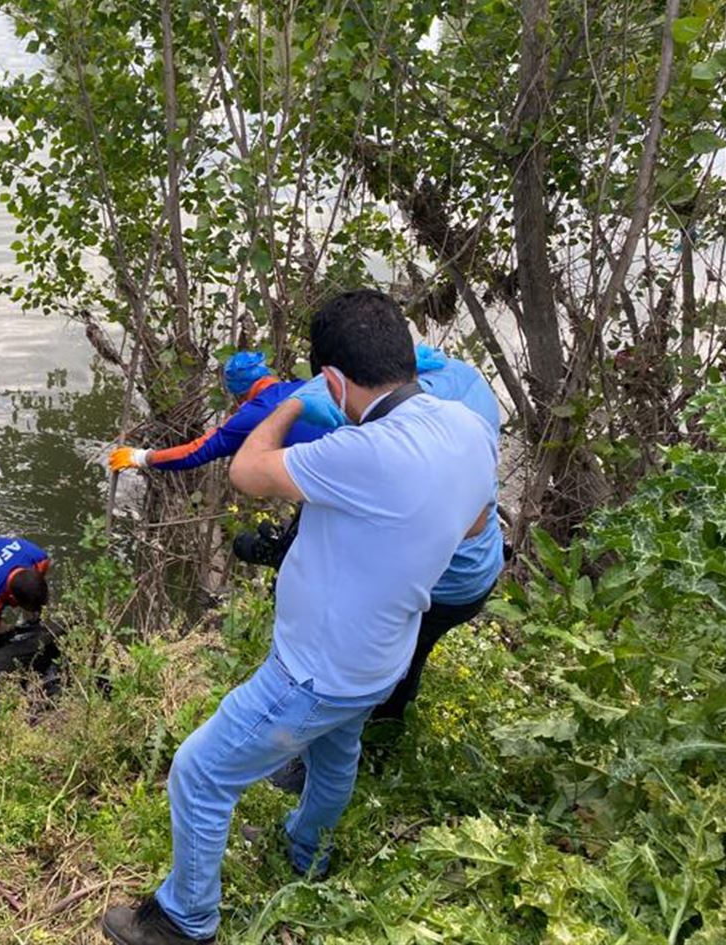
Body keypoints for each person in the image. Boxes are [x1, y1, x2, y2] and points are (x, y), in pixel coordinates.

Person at [100, 290, 498, 945]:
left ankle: (185, 919)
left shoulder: (363, 455)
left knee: (201, 772)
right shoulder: (467, 430)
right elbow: (479, 518)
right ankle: (306, 851)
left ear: (335, 380)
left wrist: (287, 399)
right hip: (382, 655)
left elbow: (249, 472)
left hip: (314, 670)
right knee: (337, 752)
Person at [245, 345, 506, 736]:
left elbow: (250, 472)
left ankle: (366, 736)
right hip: (478, 571)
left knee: (379, 661)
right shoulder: (466, 391)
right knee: (408, 654)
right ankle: (374, 732)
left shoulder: (393, 435)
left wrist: (294, 406)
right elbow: (475, 520)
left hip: (439, 583)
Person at [106, 351, 329, 473]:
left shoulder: (252, 417)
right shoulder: (305, 386)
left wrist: (140, 457)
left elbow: (195, 452)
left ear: (238, 393)